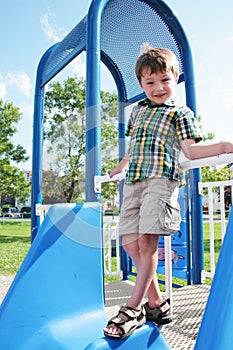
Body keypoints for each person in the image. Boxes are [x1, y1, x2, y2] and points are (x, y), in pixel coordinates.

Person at [103, 44, 233, 339]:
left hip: (161, 181)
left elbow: (191, 149)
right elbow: (134, 145)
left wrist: (224, 146)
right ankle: (157, 303)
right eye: (150, 82)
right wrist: (120, 165)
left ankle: (133, 308)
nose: (158, 87)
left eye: (165, 80)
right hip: (134, 181)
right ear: (141, 84)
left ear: (175, 79)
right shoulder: (137, 112)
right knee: (128, 245)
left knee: (148, 242)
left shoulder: (180, 113)